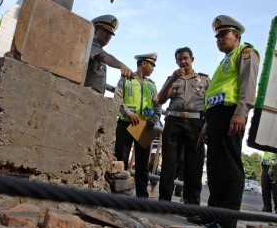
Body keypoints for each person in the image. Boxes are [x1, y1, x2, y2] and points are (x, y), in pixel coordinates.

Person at [197, 15, 260, 228]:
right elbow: (214, 93)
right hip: (216, 117)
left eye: (224, 34)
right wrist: (206, 126)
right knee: (215, 168)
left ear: (237, 36)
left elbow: (248, 84)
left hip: (231, 114)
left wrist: (241, 111)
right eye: (217, 36)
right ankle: (213, 215)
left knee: (229, 167)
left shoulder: (245, 52)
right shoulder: (225, 60)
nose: (219, 39)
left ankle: (226, 222)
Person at [158, 47, 210, 206]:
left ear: (192, 59)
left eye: (185, 58)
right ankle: (163, 203)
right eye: (179, 59)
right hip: (173, 122)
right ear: (176, 62)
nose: (183, 61)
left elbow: (211, 104)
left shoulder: (205, 80)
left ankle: (191, 206)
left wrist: (207, 125)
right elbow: (159, 100)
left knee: (194, 164)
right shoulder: (172, 79)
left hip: (196, 124)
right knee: (169, 163)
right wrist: (172, 79)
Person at [114, 53, 162, 197]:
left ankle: (141, 197)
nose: (153, 68)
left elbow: (158, 105)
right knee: (121, 159)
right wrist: (129, 113)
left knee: (142, 163)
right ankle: (117, 193)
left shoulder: (152, 85)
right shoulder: (126, 79)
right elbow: (117, 100)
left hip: (144, 128)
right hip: (125, 125)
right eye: (152, 65)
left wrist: (153, 120)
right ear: (144, 64)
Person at [84, 14, 133, 94]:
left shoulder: (97, 51)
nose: (109, 36)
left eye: (111, 34)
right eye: (106, 31)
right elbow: (104, 56)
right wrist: (121, 65)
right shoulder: (90, 44)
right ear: (95, 31)